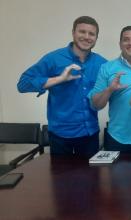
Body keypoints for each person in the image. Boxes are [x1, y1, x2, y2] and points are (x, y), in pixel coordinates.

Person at [17, 16, 107, 157]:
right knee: (61, 179)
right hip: (60, 136)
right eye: (82, 32)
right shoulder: (53, 58)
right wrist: (59, 79)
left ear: (96, 38)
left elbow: (122, 75)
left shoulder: (101, 63)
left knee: (91, 179)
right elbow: (23, 84)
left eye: (91, 34)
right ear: (73, 33)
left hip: (90, 133)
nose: (86, 37)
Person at [88, 26, 131, 154]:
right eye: (126, 40)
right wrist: (109, 89)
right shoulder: (107, 68)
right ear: (120, 44)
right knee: (120, 175)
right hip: (119, 139)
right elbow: (95, 105)